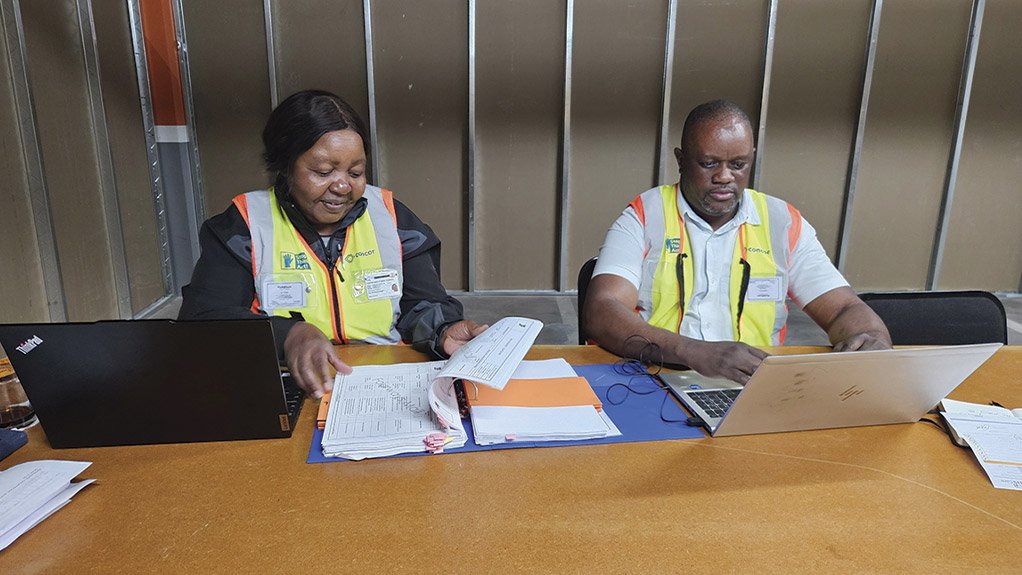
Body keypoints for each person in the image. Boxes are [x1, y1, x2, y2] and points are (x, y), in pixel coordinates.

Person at [179, 90, 486, 397]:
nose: (342, 186)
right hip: (289, 382)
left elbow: (421, 305)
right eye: (323, 172)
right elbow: (205, 320)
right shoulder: (246, 225)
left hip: (384, 381)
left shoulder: (390, 218)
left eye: (356, 172)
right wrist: (288, 335)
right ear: (285, 166)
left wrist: (442, 330)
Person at [584, 99, 890, 384]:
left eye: (738, 164)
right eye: (709, 163)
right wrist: (693, 352)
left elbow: (843, 307)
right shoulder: (645, 215)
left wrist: (871, 336)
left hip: (753, 387)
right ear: (681, 160)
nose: (724, 176)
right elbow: (602, 310)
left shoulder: (781, 222)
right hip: (656, 381)